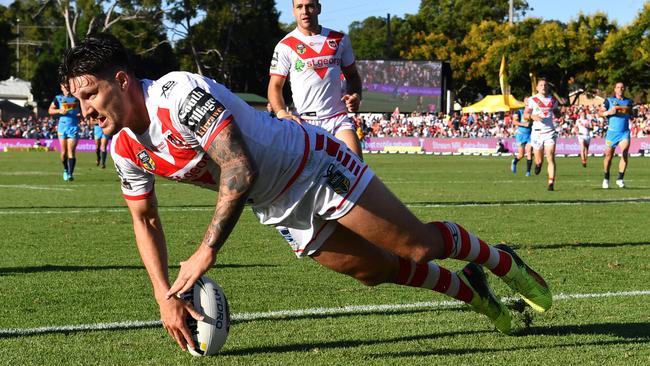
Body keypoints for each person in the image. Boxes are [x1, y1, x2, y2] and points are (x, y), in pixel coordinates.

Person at [60, 34, 552, 352]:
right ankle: (477, 296)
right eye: (75, 100)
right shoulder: (126, 148)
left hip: (311, 165)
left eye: (87, 96)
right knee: (376, 272)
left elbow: (239, 166)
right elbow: (144, 220)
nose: (82, 110)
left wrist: (205, 253)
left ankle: (499, 261)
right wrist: (164, 296)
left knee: (417, 246)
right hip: (276, 206)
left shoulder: (177, 93)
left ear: (120, 81)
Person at [267, 0, 363, 157]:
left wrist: (355, 95)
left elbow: (352, 76)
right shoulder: (285, 45)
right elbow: (275, 86)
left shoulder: (340, 39)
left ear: (318, 8)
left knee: (357, 170)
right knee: (307, 179)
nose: (304, 11)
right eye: (299, 7)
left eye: (310, 6)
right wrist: (282, 114)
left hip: (337, 119)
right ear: (293, 11)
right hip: (304, 122)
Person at [523, 78, 561, 191]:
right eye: (541, 85)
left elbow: (556, 111)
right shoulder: (532, 100)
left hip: (550, 132)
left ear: (547, 87)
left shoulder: (553, 100)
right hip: (537, 133)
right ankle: (538, 164)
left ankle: (551, 183)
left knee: (550, 156)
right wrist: (532, 116)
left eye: (545, 85)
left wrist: (559, 115)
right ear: (537, 88)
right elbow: (525, 114)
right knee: (539, 160)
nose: (543, 87)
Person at [600, 82, 633, 189]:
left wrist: (633, 113)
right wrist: (608, 112)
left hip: (624, 132)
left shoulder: (629, 101)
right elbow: (600, 112)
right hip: (612, 133)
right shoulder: (609, 100)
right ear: (615, 89)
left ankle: (620, 179)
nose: (620, 89)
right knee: (608, 157)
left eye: (622, 87)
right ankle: (606, 178)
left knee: (624, 153)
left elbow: (631, 114)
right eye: (618, 87)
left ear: (624, 89)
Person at [48, 83, 81, 181]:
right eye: (64, 87)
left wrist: (81, 114)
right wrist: (59, 111)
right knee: (63, 153)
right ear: (61, 88)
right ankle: (66, 170)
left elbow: (83, 110)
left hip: (73, 127)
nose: (66, 89)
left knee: (71, 151)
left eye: (68, 87)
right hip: (62, 127)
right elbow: (50, 110)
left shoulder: (77, 98)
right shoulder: (58, 98)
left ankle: (70, 174)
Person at [510, 110, 533, 176]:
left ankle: (528, 172)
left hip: (530, 135)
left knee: (529, 152)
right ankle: (514, 162)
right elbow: (514, 122)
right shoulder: (519, 112)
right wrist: (524, 124)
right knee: (521, 155)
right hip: (520, 135)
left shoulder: (533, 111)